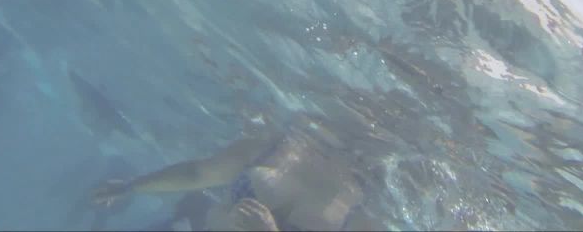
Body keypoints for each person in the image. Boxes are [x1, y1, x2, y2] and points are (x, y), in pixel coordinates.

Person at [91, 115, 381, 231]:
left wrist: (132, 186)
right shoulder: (358, 219)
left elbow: (196, 174)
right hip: (379, 154)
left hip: (319, 122)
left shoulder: (218, 222)